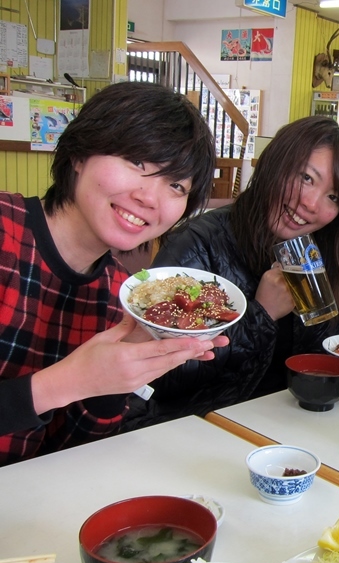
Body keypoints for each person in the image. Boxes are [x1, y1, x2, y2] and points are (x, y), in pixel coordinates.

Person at [0, 81, 221, 466]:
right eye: (138, 163)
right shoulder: (6, 231)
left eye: (175, 185)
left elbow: (69, 452)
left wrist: (120, 374)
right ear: (79, 154)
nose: (149, 198)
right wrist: (68, 381)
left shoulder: (120, 293)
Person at [122, 116, 339, 429]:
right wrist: (261, 313)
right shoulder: (200, 243)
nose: (310, 204)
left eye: (333, 197)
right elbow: (161, 376)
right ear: (275, 164)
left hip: (283, 426)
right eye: (306, 178)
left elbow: (317, 363)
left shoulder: (314, 253)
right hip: (194, 429)